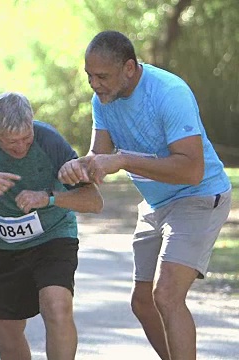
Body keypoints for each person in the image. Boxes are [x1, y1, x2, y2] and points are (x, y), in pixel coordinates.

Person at [58, 30, 232, 360]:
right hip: (156, 203)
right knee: (143, 301)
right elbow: (99, 157)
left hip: (198, 196)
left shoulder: (169, 93)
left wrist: (122, 160)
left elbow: (191, 169)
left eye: (102, 76)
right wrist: (78, 167)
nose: (94, 84)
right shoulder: (103, 101)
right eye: (89, 76)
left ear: (128, 68)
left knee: (166, 295)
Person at [0, 92, 103, 360]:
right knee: (6, 328)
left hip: (53, 236)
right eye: (11, 142)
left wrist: (47, 198)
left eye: (26, 138)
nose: (21, 147)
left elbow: (94, 201)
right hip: (4, 245)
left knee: (57, 307)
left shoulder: (49, 141)